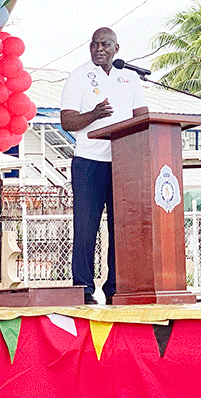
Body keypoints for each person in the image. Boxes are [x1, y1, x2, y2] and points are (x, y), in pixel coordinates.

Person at [60, 27, 148, 305]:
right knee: (86, 227)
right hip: (89, 161)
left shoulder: (130, 77)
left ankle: (115, 288)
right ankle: (84, 288)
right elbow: (67, 121)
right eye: (94, 44)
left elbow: (142, 116)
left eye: (105, 44)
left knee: (120, 227)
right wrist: (94, 115)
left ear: (116, 49)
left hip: (123, 163)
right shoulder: (79, 76)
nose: (99, 48)